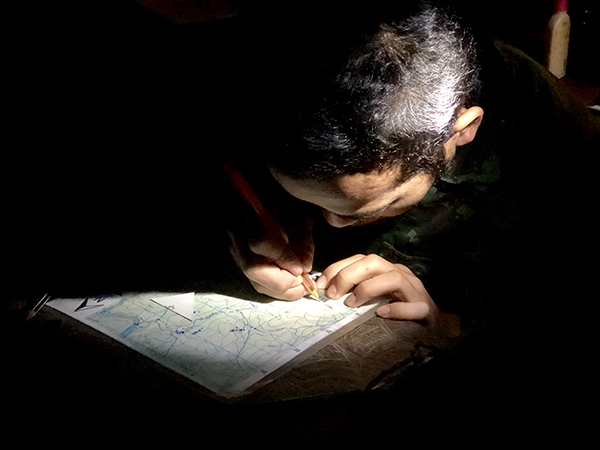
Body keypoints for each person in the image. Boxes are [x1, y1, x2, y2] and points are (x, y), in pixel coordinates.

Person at [226, 1, 599, 342]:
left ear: (461, 131)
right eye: (308, 197)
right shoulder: (264, 79)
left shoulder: (555, 145)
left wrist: (449, 326)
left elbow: (563, 316)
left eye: (368, 208)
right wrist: (256, 229)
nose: (333, 223)